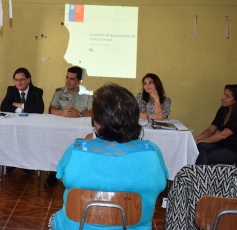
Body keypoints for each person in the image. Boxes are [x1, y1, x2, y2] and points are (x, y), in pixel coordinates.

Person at [50, 83, 168, 230]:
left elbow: (62, 176)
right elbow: (162, 181)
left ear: (96, 122)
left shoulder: (77, 149)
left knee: (54, 218)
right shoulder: (152, 152)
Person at [45, 66, 93, 187]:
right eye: (67, 77)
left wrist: (80, 114)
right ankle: (52, 173)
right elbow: (51, 109)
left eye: (71, 79)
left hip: (80, 130)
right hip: (60, 129)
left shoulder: (88, 93)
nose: (67, 81)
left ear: (79, 81)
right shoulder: (59, 92)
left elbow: (93, 111)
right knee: (54, 144)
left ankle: (76, 173)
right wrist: (63, 113)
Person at [0, 67, 44, 175]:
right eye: (16, 80)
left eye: (22, 79)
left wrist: (20, 105)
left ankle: (27, 165)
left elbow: (39, 109)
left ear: (28, 80)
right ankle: (12, 163)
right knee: (10, 138)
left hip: (31, 125)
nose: (19, 82)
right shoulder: (11, 90)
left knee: (27, 140)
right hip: (14, 124)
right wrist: (20, 109)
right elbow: (3, 107)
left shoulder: (37, 91)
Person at [195, 84, 237, 165]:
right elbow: (211, 130)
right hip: (220, 144)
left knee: (202, 156)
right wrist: (196, 139)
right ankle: (200, 175)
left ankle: (200, 176)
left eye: (227, 96)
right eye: (224, 94)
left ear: (235, 100)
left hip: (232, 150)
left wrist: (202, 140)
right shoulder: (223, 110)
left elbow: (222, 135)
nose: (223, 98)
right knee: (201, 146)